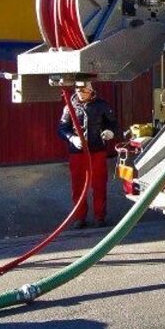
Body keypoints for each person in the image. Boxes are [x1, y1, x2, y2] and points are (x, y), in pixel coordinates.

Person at [58, 83, 120, 228]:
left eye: (84, 90)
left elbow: (113, 123)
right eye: (78, 90)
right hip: (77, 152)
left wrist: (110, 131)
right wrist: (72, 138)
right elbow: (62, 128)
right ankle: (80, 217)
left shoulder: (102, 105)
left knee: (99, 184)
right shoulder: (69, 107)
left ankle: (100, 217)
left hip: (97, 150)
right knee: (78, 186)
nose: (81, 93)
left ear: (91, 90)